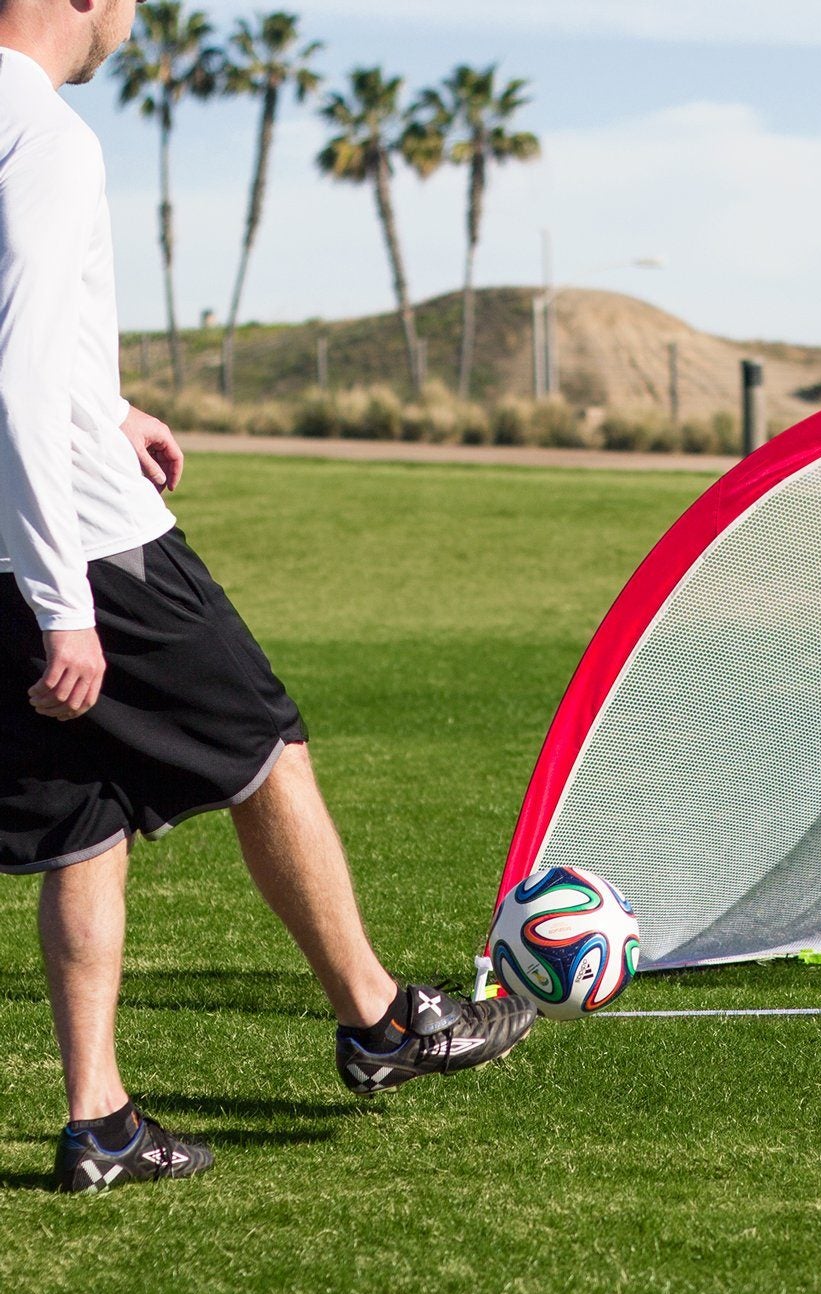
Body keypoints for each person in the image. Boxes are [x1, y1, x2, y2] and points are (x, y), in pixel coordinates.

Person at [0, 0, 536, 1194]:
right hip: (91, 549)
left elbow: (34, 351)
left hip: (11, 541)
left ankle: (100, 1125)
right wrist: (64, 597)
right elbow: (16, 369)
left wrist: (114, 406)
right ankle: (383, 1020)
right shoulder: (47, 135)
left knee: (83, 823)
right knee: (266, 747)